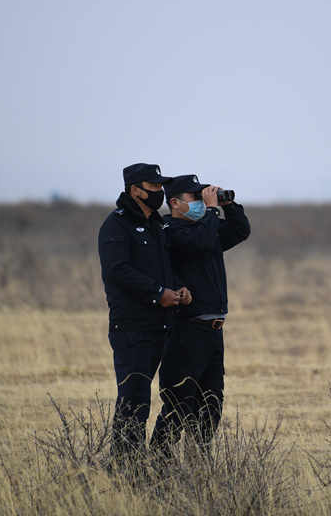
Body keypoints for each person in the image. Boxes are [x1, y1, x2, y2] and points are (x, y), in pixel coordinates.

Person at [98, 163, 192, 466]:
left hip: (160, 326)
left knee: (147, 398)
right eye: (153, 187)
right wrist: (157, 293)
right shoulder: (116, 224)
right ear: (135, 190)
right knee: (133, 401)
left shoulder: (156, 224)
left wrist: (178, 287)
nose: (159, 192)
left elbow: (163, 269)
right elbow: (118, 270)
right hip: (132, 329)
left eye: (161, 186)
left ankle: (139, 465)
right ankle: (126, 469)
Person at [150, 174, 250, 452]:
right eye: (195, 198)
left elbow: (240, 231)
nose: (202, 202)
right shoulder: (169, 231)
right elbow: (200, 243)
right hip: (186, 330)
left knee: (211, 404)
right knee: (178, 404)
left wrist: (227, 205)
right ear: (175, 203)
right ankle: (158, 462)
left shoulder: (205, 228)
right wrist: (212, 211)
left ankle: (200, 466)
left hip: (212, 332)